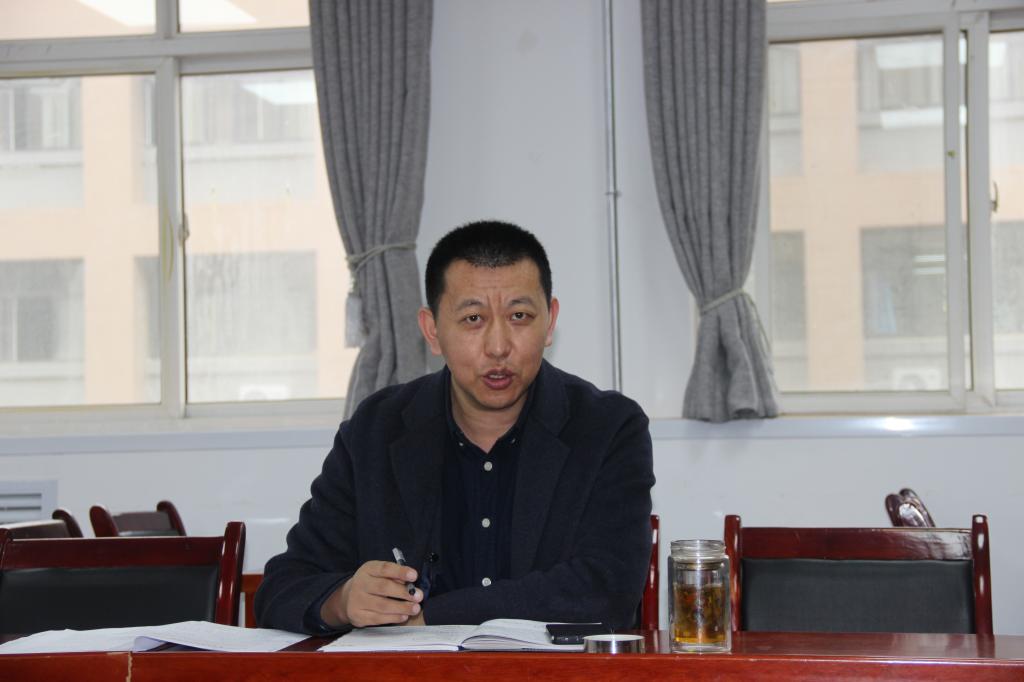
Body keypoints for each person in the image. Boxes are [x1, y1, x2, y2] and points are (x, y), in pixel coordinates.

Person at [255, 221, 654, 633]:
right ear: (432, 331)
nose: (498, 346)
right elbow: (284, 588)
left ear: (549, 322)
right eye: (473, 318)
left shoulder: (608, 428)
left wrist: (428, 618)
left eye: (519, 316)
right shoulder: (376, 429)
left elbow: (606, 591)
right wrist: (343, 600)